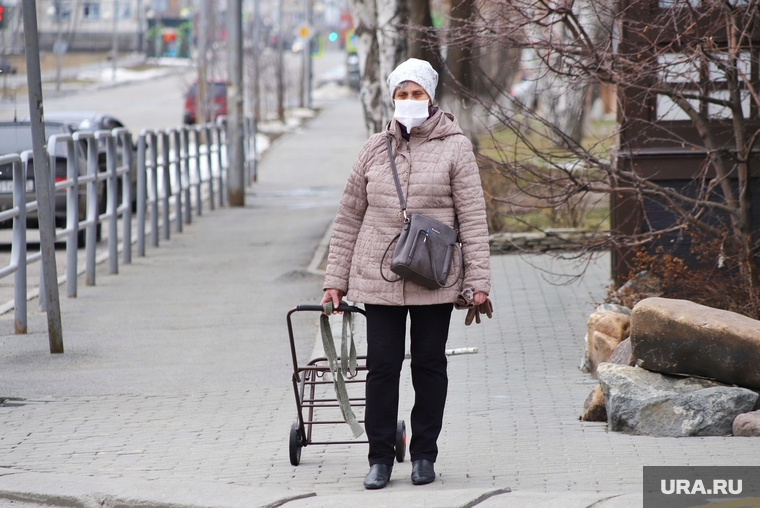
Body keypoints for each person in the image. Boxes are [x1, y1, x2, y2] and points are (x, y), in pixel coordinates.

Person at [321, 58, 491, 490]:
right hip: (377, 278)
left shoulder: (456, 148)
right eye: (403, 94)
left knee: (430, 366)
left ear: (431, 98)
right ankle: (379, 458)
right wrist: (334, 281)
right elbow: (347, 219)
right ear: (392, 97)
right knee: (382, 367)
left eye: (417, 94)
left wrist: (478, 283)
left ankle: (423, 456)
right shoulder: (373, 149)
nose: (409, 101)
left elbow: (473, 220)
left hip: (435, 276)